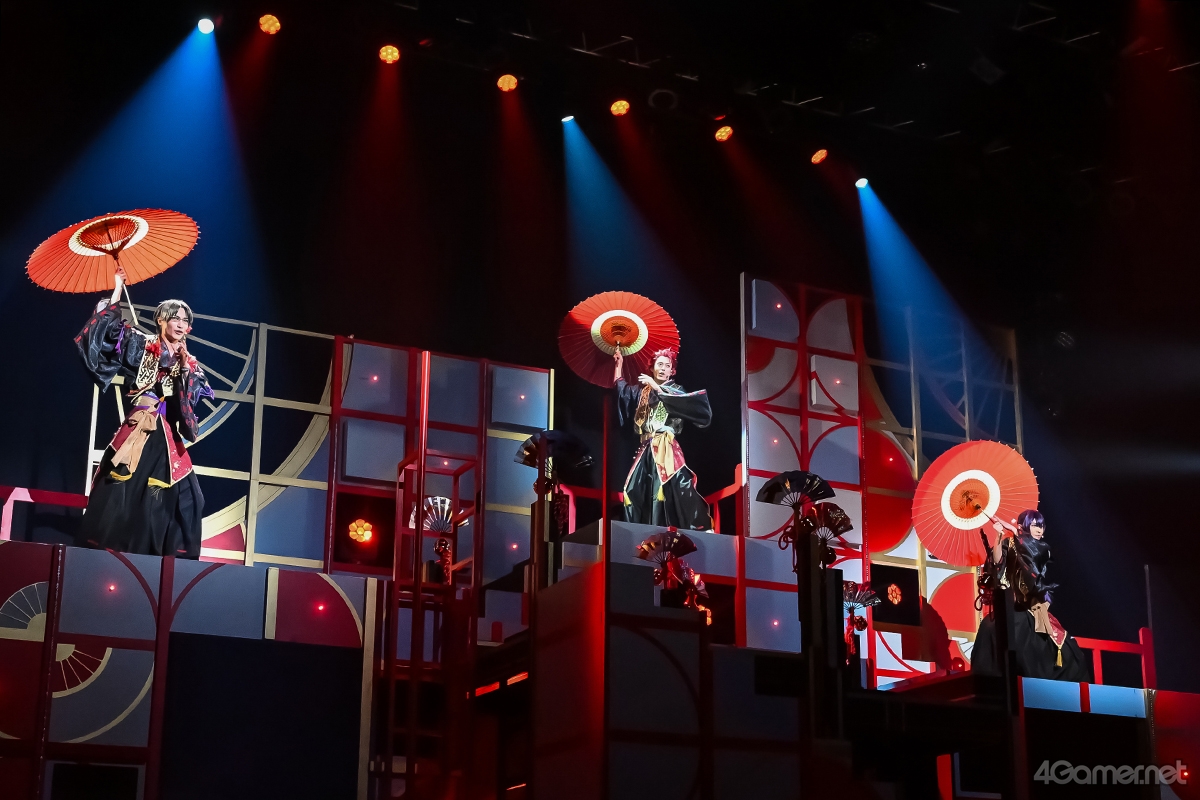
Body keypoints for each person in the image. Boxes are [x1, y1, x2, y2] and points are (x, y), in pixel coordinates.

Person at [75, 267, 213, 559]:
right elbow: (108, 332)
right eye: (175, 318)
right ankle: (110, 552)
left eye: (185, 320)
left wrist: (184, 370)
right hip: (141, 426)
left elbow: (189, 401)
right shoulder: (141, 344)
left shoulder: (190, 362)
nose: (181, 324)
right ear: (161, 320)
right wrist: (117, 287)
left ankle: (162, 558)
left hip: (167, 432)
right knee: (121, 489)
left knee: (188, 497)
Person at [970, 509, 1091, 681]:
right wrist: (998, 535)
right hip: (1014, 606)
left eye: (1041, 526)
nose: (1039, 530)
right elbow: (997, 563)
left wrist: (1014, 532)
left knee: (1067, 650)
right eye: (1035, 525)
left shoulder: (1042, 549)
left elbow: (1031, 567)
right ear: (1023, 527)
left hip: (1034, 607)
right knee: (991, 627)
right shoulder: (1010, 543)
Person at [613, 347, 713, 531]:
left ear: (672, 371)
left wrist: (656, 387)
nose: (663, 368)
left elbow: (685, 404)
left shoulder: (676, 390)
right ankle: (639, 532)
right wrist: (619, 365)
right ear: (652, 368)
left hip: (665, 447)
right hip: (646, 447)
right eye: (659, 364)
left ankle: (693, 528)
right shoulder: (643, 392)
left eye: (667, 366)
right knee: (633, 489)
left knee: (671, 486)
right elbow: (623, 391)